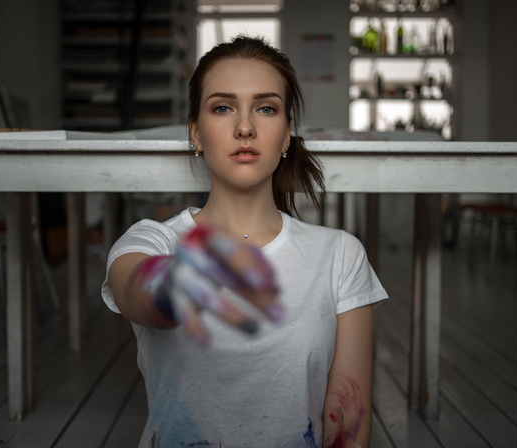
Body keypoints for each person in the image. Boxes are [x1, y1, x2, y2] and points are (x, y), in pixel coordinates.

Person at [102, 35, 388, 448]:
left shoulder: (340, 255)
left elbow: (347, 426)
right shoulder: (154, 240)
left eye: (266, 108)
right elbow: (136, 291)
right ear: (196, 134)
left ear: (287, 135)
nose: (244, 127)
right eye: (222, 107)